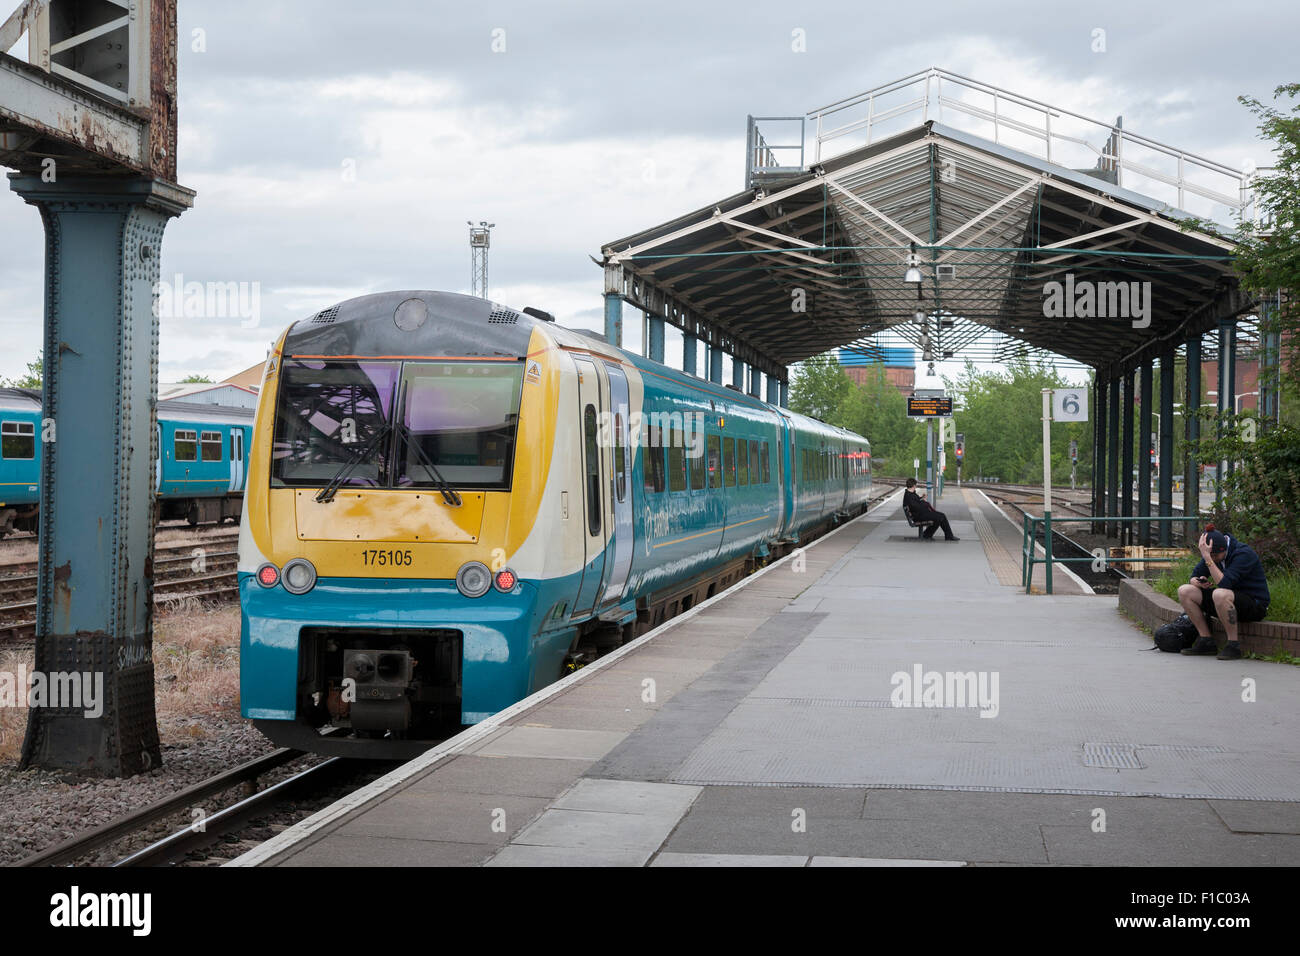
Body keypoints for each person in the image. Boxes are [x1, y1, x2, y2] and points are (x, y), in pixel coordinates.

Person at [1176, 527, 1270, 660]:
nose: (1213, 560)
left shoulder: (1243, 553)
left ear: (1223, 549)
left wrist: (1208, 558)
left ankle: (1233, 645)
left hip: (1254, 605)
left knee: (1219, 594)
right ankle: (1206, 641)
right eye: (1210, 556)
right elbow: (1194, 576)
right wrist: (1198, 582)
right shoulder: (1213, 554)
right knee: (1185, 591)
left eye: (1214, 556)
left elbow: (1224, 583)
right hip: (1227, 601)